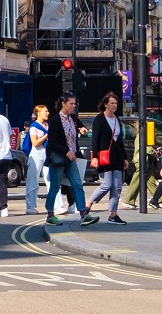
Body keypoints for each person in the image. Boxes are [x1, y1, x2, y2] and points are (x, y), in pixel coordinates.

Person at [44, 93, 99, 226]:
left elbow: (80, 127)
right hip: (58, 159)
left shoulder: (73, 118)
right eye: (71, 104)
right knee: (55, 187)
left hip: (72, 158)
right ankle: (50, 215)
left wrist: (83, 129)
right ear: (63, 104)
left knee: (78, 185)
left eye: (75, 104)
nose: (73, 106)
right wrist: (66, 151)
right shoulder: (56, 120)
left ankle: (83, 214)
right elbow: (51, 142)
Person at [89, 92, 129, 224]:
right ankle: (87, 205)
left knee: (117, 186)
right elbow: (95, 139)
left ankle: (113, 214)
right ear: (105, 104)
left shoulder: (116, 119)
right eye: (112, 103)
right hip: (104, 157)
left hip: (117, 157)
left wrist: (125, 158)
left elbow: (120, 140)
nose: (114, 105)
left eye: (116, 103)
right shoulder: (99, 119)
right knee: (106, 185)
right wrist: (94, 156)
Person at [22, 104, 50, 215]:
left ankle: (57, 206)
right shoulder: (33, 126)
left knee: (51, 180)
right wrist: (46, 136)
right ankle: (30, 207)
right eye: (45, 111)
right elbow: (35, 142)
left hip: (47, 153)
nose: (48, 113)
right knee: (33, 181)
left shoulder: (48, 125)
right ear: (39, 113)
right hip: (36, 154)